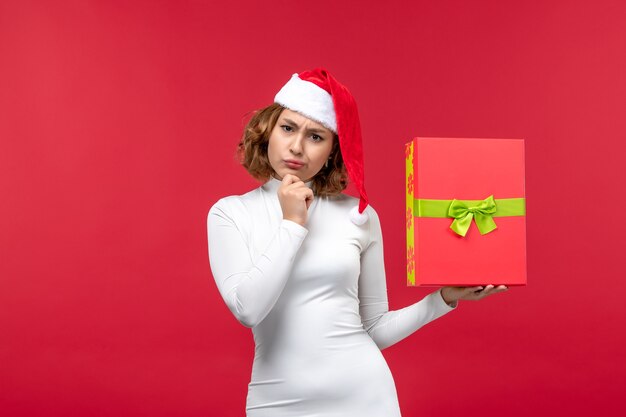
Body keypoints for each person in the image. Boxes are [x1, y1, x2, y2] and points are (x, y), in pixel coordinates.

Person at [207, 68, 507, 416]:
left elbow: (374, 329)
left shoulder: (359, 216)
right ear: (268, 131)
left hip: (364, 398)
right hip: (277, 402)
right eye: (288, 128)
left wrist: (442, 299)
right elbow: (248, 309)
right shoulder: (230, 214)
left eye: (316, 136)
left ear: (333, 150)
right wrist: (292, 223)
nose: (297, 147)